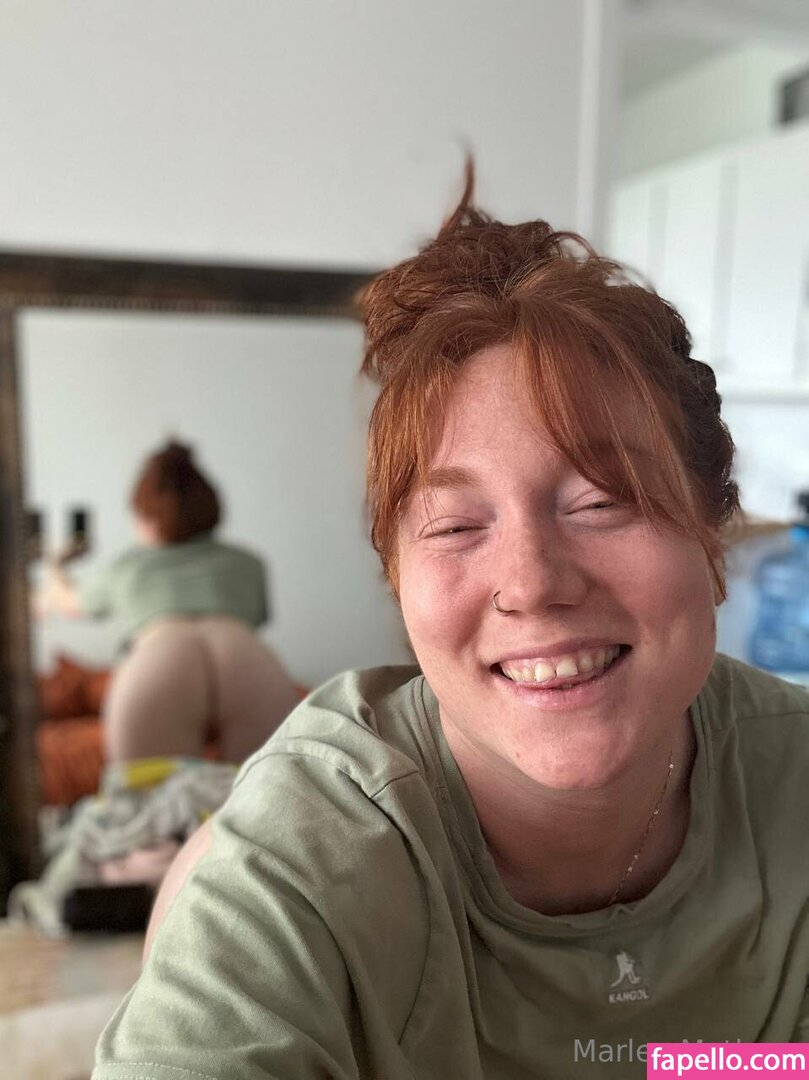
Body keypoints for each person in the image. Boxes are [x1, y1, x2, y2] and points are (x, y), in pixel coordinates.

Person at [92, 172, 809, 1080]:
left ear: (713, 532)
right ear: (397, 578)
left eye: (602, 500)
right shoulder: (300, 858)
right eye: (456, 526)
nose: (531, 585)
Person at [37, 440, 299, 763]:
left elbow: (68, 602)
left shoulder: (129, 567)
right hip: (247, 661)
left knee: (153, 790)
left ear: (145, 517)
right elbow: (256, 617)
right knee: (269, 790)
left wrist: (55, 566)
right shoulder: (249, 563)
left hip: (159, 662)